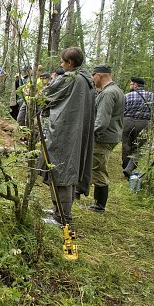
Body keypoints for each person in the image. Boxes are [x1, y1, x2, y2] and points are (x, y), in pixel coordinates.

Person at [41, 47, 95, 226]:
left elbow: (47, 96)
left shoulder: (70, 78)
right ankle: (59, 210)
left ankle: (62, 217)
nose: (61, 64)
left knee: (61, 171)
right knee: (67, 171)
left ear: (70, 63)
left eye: (63, 61)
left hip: (65, 133)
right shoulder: (85, 79)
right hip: (75, 132)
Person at [87, 65, 124, 212]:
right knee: (98, 166)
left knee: (98, 169)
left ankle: (99, 205)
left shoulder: (108, 93)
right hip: (111, 135)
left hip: (103, 137)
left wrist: (90, 135)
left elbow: (101, 121)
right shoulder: (117, 90)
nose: (92, 79)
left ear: (99, 75)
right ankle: (98, 203)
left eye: (93, 75)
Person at [122, 77, 154, 177]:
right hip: (144, 124)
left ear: (136, 85)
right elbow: (153, 109)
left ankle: (125, 168)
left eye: (131, 84)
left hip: (127, 122)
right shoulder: (152, 95)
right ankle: (130, 168)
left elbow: (122, 110)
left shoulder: (126, 96)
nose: (130, 86)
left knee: (126, 146)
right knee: (139, 148)